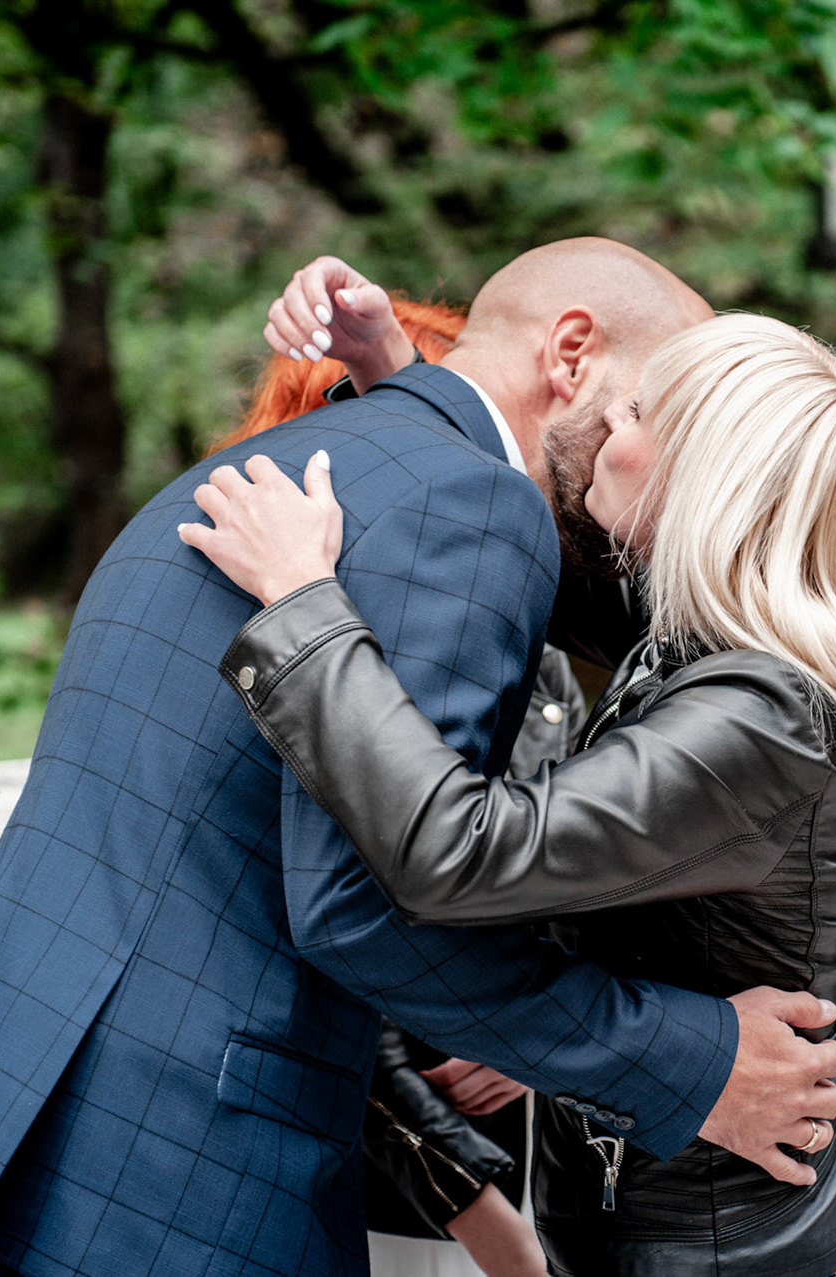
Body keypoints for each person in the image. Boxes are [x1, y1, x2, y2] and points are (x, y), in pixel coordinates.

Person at [0, 239, 836, 1277]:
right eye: (651, 406)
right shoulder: (477, 506)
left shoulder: (294, 463)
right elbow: (371, 911)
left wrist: (404, 376)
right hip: (179, 1175)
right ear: (572, 354)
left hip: (7, 1115)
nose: (669, 451)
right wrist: (692, 1064)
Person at [178, 310, 836, 1276]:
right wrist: (401, 378)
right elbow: (525, 570)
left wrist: (300, 606)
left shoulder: (764, 716)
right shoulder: (725, 642)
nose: (607, 419)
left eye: (640, 411)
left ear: (705, 475)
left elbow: (464, 853)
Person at [223, 308, 549, 1277]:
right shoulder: (286, 651)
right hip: (386, 1181)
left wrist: (531, 1031)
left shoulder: (526, 626)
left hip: (548, 1145)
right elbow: (331, 939)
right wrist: (485, 1216)